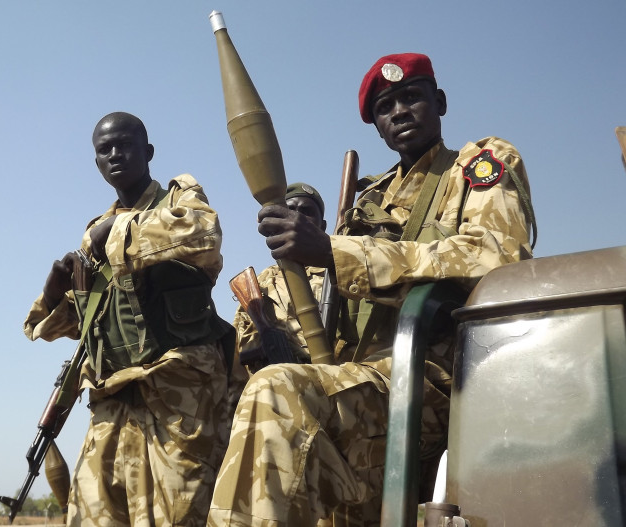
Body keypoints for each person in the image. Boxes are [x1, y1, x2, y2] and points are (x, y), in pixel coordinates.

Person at [207, 53, 536, 526]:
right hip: (363, 385)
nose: (400, 111)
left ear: (439, 102)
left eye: (411, 97)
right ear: (377, 127)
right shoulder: (369, 200)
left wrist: (336, 252)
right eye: (386, 107)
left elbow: (495, 258)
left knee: (276, 393)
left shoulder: (478, 165)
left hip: (439, 381)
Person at [24, 112, 235, 527]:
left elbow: (204, 234)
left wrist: (119, 230)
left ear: (148, 152)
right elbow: (84, 323)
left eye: (125, 145)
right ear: (96, 162)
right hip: (110, 401)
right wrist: (52, 293)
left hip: (177, 396)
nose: (115, 155)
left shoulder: (179, 199)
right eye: (105, 150)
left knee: (180, 516)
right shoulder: (93, 232)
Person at [232, 182, 327, 374]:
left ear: (322, 226)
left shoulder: (338, 274)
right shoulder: (260, 283)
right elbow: (239, 350)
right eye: (290, 209)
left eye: (306, 211)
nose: (297, 217)